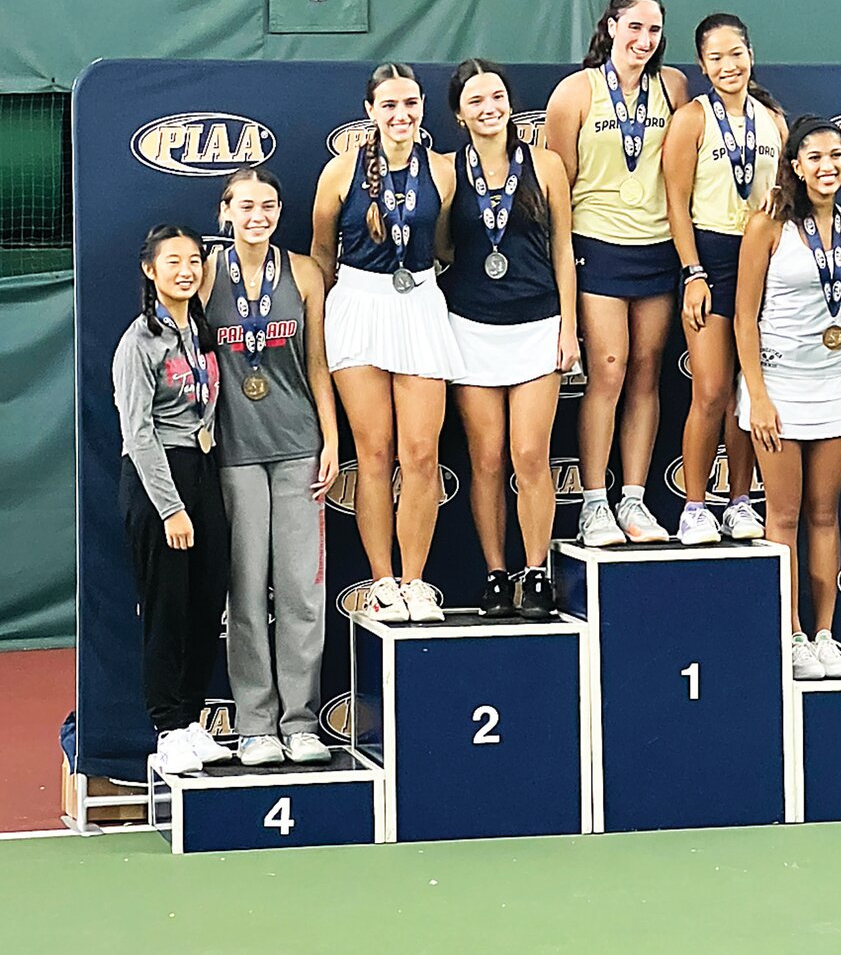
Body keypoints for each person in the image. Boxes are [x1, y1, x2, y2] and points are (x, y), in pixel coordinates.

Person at [311, 63, 464, 625]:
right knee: (373, 456)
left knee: (421, 456)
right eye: (389, 106)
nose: (401, 116)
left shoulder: (443, 172)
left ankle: (416, 583)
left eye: (411, 105)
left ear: (423, 108)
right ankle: (381, 584)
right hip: (357, 305)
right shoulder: (339, 172)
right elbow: (323, 254)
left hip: (420, 303)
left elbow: (443, 245)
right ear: (370, 112)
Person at [202, 166, 340, 768]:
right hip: (233, 453)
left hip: (298, 448)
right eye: (247, 205)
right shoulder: (205, 274)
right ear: (224, 212)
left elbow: (318, 364)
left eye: (270, 205)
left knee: (303, 592)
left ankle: (302, 721)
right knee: (246, 592)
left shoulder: (304, 272)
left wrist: (331, 440)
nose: (259, 215)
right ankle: (255, 724)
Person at [545, 0, 688, 546]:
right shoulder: (573, 94)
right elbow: (560, 187)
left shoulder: (673, 87)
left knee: (648, 372)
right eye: (634, 27)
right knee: (608, 368)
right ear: (610, 27)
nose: (645, 40)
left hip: (657, 246)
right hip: (597, 243)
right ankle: (593, 502)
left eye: (654, 30)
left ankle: (633, 499)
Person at [441, 60, 580, 619]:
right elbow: (444, 247)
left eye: (496, 96)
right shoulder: (449, 173)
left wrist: (569, 326)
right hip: (472, 326)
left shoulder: (544, 165)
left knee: (530, 454)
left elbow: (563, 250)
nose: (489, 107)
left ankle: (537, 572)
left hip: (538, 324)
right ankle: (497, 574)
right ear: (458, 114)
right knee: (488, 459)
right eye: (475, 100)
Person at [734, 117, 841, 681]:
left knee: (825, 514)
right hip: (779, 388)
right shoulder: (767, 225)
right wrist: (757, 397)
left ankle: (825, 636)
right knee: (782, 517)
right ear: (794, 166)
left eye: (835, 156)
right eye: (814, 157)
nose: (827, 167)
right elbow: (743, 316)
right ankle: (788, 634)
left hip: (837, 384)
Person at [112, 224, 231, 776]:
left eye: (194, 260)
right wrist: (171, 508)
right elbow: (137, 434)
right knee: (168, 609)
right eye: (173, 262)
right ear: (150, 270)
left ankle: (189, 721)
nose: (186, 270)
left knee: (206, 605)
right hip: (159, 479)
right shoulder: (138, 341)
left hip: (203, 471)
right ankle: (165, 729)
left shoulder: (201, 331)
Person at [664, 13, 787, 545]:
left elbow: (786, 195)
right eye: (715, 57)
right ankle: (695, 504)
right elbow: (674, 201)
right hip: (710, 256)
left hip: (761, 258)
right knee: (711, 390)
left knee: (745, 392)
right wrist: (693, 271)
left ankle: (740, 500)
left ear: (751, 54)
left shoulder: (773, 121)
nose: (727, 65)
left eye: (735, 53)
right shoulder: (692, 119)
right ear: (702, 64)